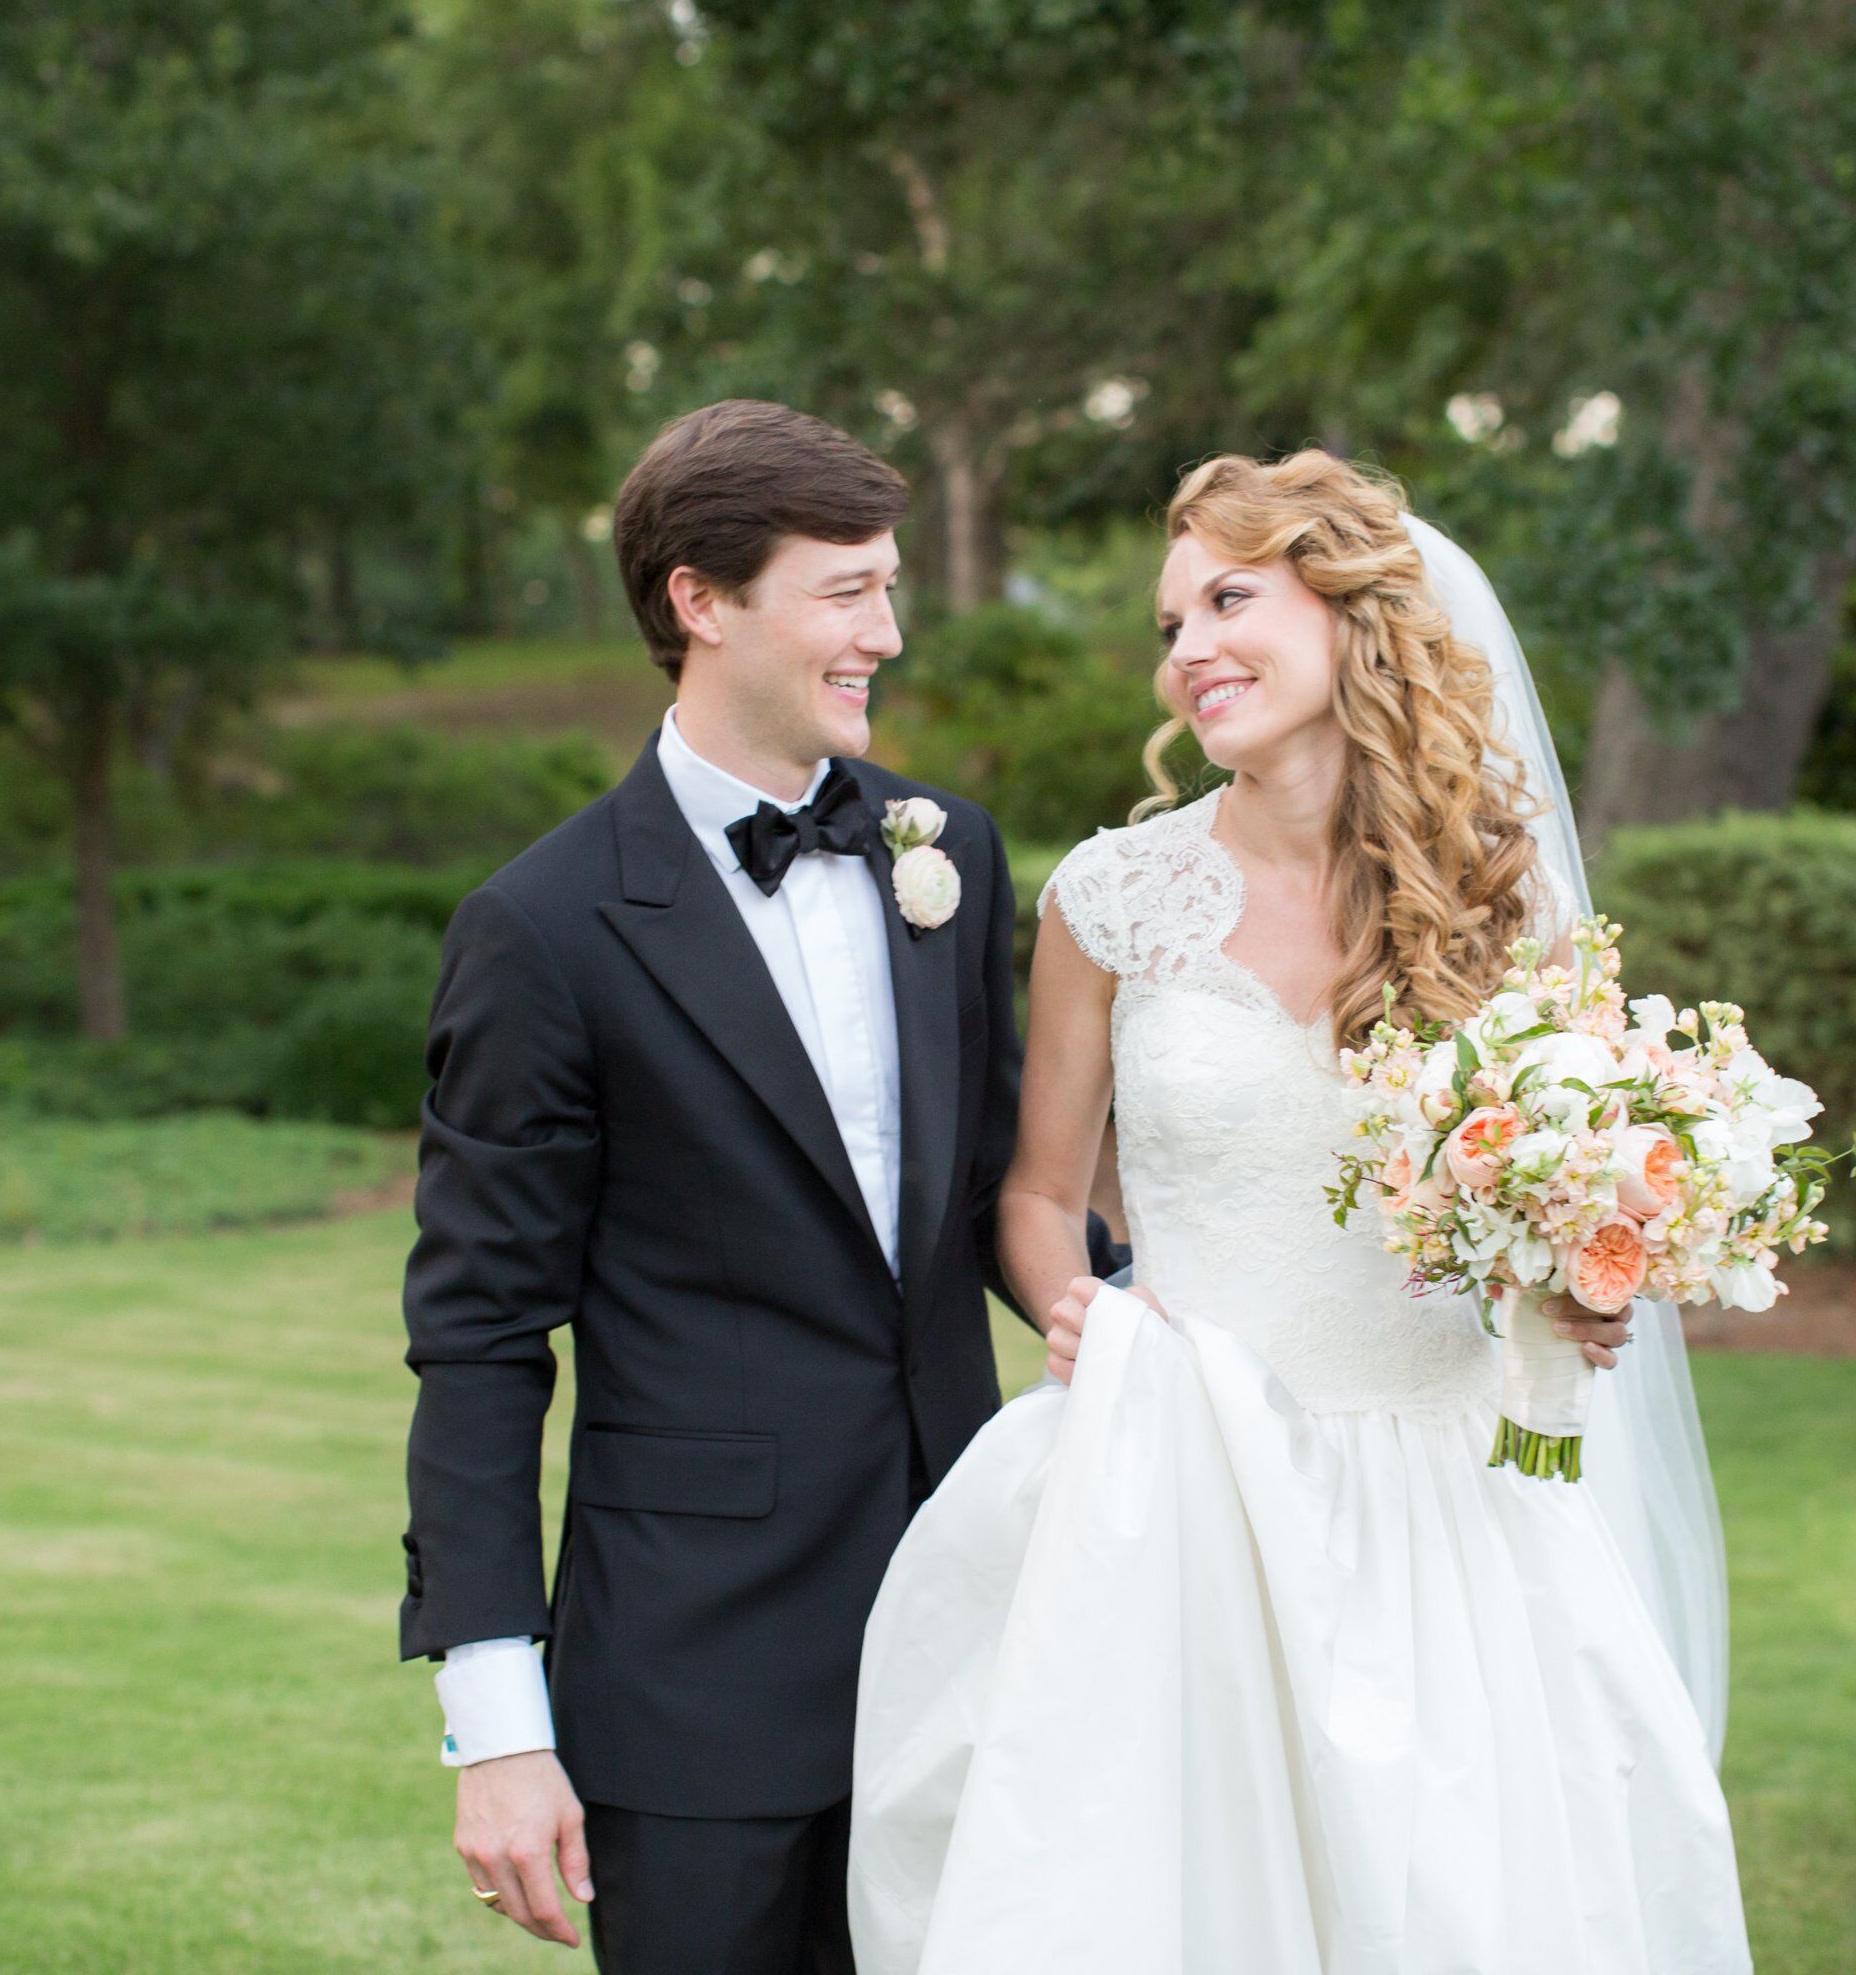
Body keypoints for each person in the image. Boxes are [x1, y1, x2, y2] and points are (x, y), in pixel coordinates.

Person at [849, 450, 1751, 1972]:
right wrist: (1075, 1299)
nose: (1188, 647)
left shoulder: (1491, 894)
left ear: (1350, 613)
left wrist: (1583, 1274)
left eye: (1228, 598)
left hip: (1452, 1499)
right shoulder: (1110, 899)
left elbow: (1547, 1176)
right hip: (1183, 1470)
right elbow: (1040, 1191)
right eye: (1168, 622)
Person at [396, 399, 1112, 1972]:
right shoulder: (543, 930)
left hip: (976, 1629)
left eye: (892, 585)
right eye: (847, 590)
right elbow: (480, 1342)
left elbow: (1010, 1186)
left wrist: (1183, 1332)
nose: (890, 631)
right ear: (700, 602)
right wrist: (497, 1724)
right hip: (696, 1679)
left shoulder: (952, 855)